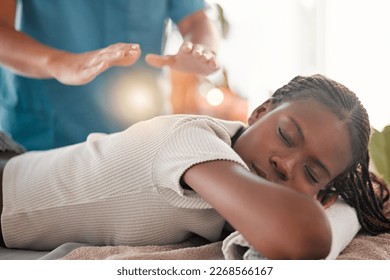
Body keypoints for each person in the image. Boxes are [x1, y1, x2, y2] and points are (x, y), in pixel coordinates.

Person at [1, 74, 389, 259]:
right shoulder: (193, 141)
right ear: (258, 113)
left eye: (312, 173)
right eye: (286, 137)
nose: (285, 165)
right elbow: (303, 238)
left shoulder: (246, 189)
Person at [0, 0, 219, 151]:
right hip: (45, 130)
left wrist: (202, 50)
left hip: (140, 128)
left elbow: (196, 20)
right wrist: (60, 63)